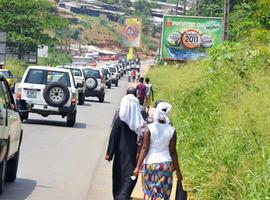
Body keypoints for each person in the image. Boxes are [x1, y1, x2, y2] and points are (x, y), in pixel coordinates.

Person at [133, 102, 183, 200]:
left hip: (150, 164)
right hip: (165, 165)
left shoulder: (148, 129)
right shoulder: (172, 130)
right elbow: (173, 152)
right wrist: (178, 171)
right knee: (163, 194)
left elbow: (144, 148)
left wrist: (137, 167)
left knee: (149, 193)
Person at [106, 92, 145, 200]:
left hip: (120, 156)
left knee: (119, 179)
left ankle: (121, 197)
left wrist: (109, 153)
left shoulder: (120, 120)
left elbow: (113, 137)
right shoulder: (141, 123)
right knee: (129, 179)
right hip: (134, 158)